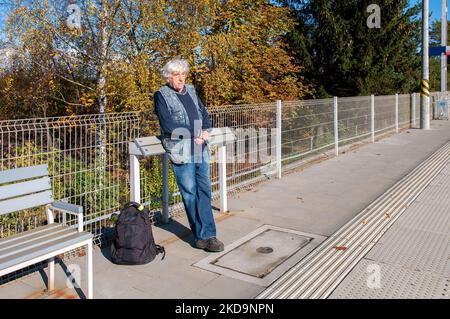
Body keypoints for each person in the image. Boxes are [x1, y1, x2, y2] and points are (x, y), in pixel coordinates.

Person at [153, 58, 224, 252]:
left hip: (200, 145)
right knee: (190, 192)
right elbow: (167, 125)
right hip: (181, 149)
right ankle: (202, 235)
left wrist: (205, 131)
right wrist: (194, 132)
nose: (181, 78)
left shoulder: (191, 90)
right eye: (176, 75)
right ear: (168, 77)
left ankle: (208, 235)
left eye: (183, 74)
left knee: (204, 190)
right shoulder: (161, 95)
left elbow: (203, 112)